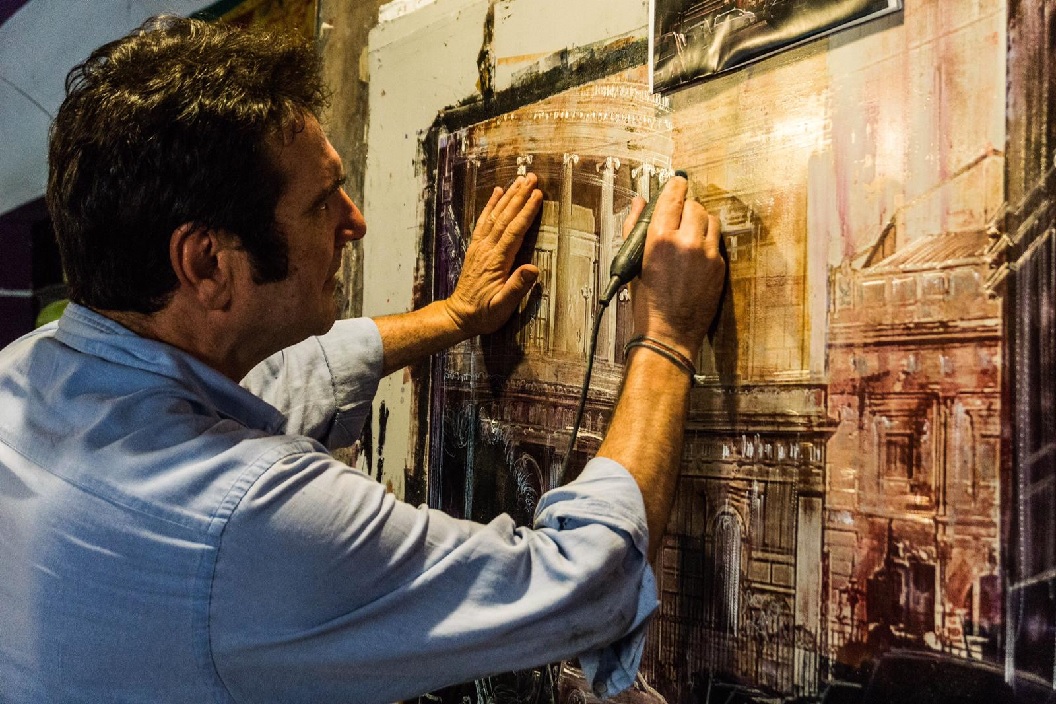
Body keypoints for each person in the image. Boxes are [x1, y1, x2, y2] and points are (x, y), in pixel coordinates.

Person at [0, 15, 725, 704]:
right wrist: (666, 337)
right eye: (323, 202)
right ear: (207, 262)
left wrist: (453, 317)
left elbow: (281, 382)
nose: (356, 221)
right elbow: (587, 584)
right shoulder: (246, 525)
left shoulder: (27, 373)